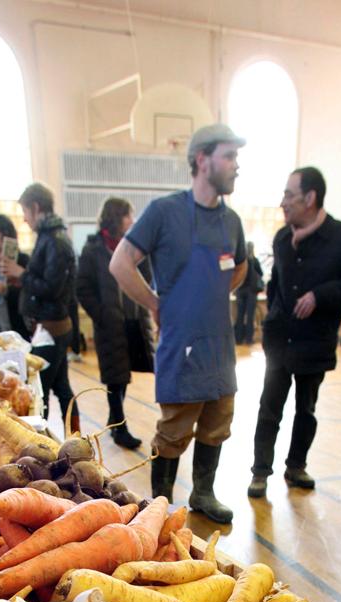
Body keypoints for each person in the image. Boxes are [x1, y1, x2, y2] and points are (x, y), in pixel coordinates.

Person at [109, 123, 248, 523]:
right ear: (202, 160)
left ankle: (204, 493)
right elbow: (120, 263)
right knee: (173, 432)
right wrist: (155, 302)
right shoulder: (164, 213)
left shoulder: (232, 221)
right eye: (230, 156)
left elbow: (238, 268)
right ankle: (160, 507)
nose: (236, 166)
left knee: (217, 425)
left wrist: (215, 294)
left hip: (220, 347)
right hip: (181, 345)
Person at [247, 166, 341, 498]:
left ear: (310, 198)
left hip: (314, 343)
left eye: (289, 195)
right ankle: (260, 471)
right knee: (268, 407)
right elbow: (276, 284)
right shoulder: (282, 238)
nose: (283, 202)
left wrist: (321, 296)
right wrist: (274, 315)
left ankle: (296, 466)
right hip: (279, 341)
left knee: (306, 410)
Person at [77, 197, 154, 450]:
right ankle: (119, 428)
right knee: (115, 377)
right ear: (115, 217)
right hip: (110, 323)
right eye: (127, 215)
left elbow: (148, 277)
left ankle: (114, 418)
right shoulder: (94, 249)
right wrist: (102, 315)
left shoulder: (135, 247)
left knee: (124, 376)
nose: (132, 221)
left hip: (133, 320)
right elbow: (83, 287)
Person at [1, 183, 79, 432]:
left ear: (36, 207)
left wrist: (21, 275)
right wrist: (21, 280)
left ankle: (47, 447)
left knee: (40, 391)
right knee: (61, 387)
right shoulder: (49, 238)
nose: (24, 219)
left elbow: (52, 288)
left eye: (25, 212)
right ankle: (75, 440)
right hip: (48, 325)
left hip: (51, 328)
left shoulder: (55, 240)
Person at [234, 241, 264, 345]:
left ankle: (238, 339)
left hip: (240, 290)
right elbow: (261, 273)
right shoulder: (255, 261)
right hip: (251, 291)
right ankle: (248, 339)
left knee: (240, 316)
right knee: (250, 316)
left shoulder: (241, 262)